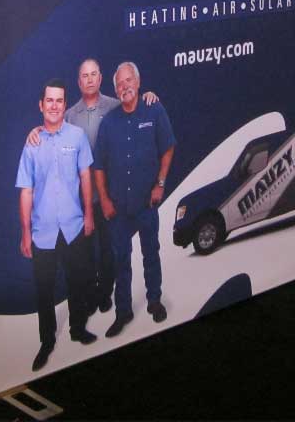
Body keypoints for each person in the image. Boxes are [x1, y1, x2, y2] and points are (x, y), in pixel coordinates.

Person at [26, 59, 158, 314]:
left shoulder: (115, 105)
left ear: (100, 78)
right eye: (84, 76)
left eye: (93, 74)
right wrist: (35, 130)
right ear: (79, 82)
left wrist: (149, 96)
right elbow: (51, 128)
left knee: (109, 249)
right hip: (80, 199)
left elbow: (135, 105)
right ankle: (87, 296)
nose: (89, 79)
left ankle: (105, 293)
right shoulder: (69, 114)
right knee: (84, 253)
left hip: (110, 195)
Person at [16, 79, 97, 372]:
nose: (54, 105)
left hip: (73, 226)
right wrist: (26, 232)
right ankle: (47, 341)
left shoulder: (77, 136)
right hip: (43, 232)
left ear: (65, 104)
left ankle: (78, 329)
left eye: (59, 100)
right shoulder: (32, 144)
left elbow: (85, 176)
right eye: (49, 100)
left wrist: (89, 214)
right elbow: (26, 191)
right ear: (41, 105)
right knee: (44, 290)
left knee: (78, 280)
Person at [94, 61, 176, 338]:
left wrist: (160, 184)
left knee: (151, 253)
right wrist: (104, 200)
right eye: (119, 83)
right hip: (118, 209)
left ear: (138, 83)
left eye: (128, 80)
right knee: (121, 261)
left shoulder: (154, 110)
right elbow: (98, 166)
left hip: (146, 204)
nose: (124, 86)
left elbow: (168, 147)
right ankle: (123, 311)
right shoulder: (109, 122)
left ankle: (154, 300)